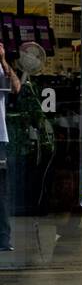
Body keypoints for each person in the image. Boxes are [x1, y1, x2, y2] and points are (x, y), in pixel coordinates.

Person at [0, 48, 20, 252]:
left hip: (0, 139)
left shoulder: (2, 69)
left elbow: (16, 87)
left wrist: (4, 61)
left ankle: (4, 240)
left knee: (2, 192)